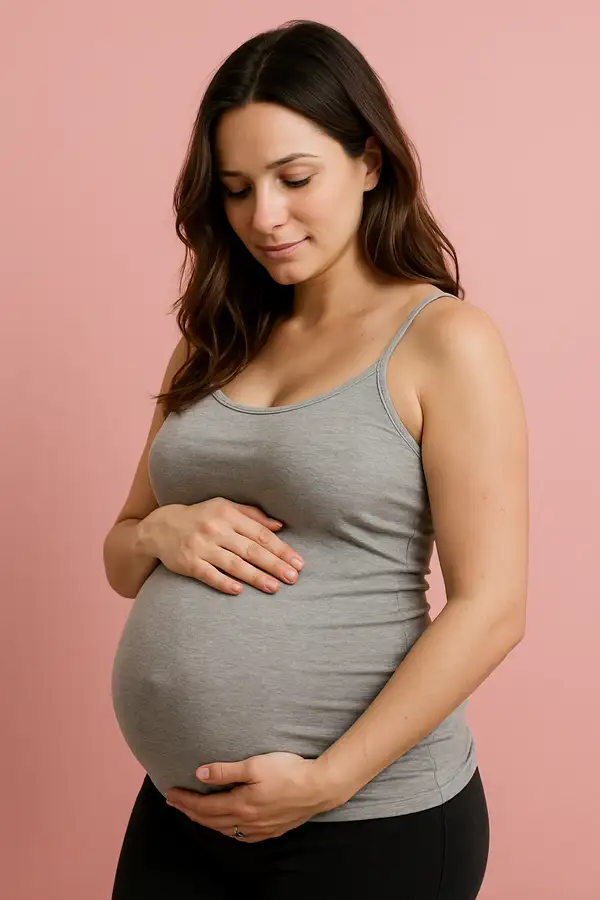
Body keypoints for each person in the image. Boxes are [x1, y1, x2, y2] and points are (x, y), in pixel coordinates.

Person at [103, 18, 529, 900]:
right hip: (181, 818)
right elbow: (120, 554)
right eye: (236, 189)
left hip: (366, 823)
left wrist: (327, 780)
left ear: (369, 161)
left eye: (295, 179)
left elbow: (491, 609)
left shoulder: (445, 340)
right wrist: (161, 532)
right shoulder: (211, 340)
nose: (264, 217)